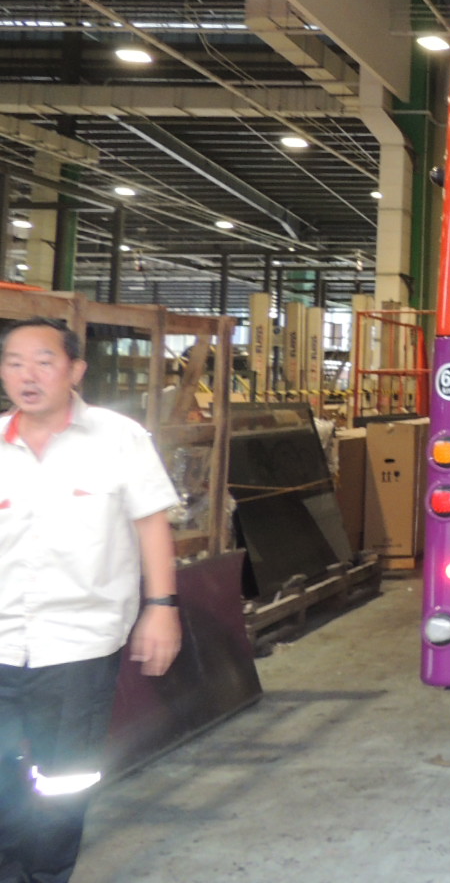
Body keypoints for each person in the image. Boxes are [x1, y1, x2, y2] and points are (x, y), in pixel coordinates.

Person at [0, 318, 182, 883]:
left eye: (43, 361)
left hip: (78, 644)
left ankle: (46, 873)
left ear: (75, 370)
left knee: (63, 778)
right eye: (13, 362)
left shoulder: (119, 438)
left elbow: (151, 524)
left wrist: (162, 607)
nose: (27, 375)